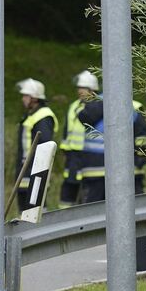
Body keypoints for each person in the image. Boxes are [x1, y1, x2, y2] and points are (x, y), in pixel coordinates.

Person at [78, 92, 146, 202]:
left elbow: (82, 118)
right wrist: (140, 157)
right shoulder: (133, 107)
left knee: (92, 212)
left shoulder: (92, 106)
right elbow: (141, 138)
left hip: (93, 169)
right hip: (125, 169)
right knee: (129, 208)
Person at [16, 78, 58, 213]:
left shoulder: (43, 116)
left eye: (26, 96)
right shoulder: (31, 115)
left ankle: (41, 232)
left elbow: (45, 144)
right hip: (25, 168)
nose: (23, 99)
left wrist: (36, 167)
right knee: (25, 209)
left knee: (35, 210)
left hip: (35, 170)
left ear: (34, 98)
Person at [59, 70, 99, 208]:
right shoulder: (74, 106)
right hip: (72, 155)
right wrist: (65, 150)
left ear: (92, 90)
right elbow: (66, 130)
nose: (79, 91)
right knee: (69, 187)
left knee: (86, 190)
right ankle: (64, 218)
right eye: (79, 88)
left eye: (83, 88)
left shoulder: (96, 106)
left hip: (88, 154)